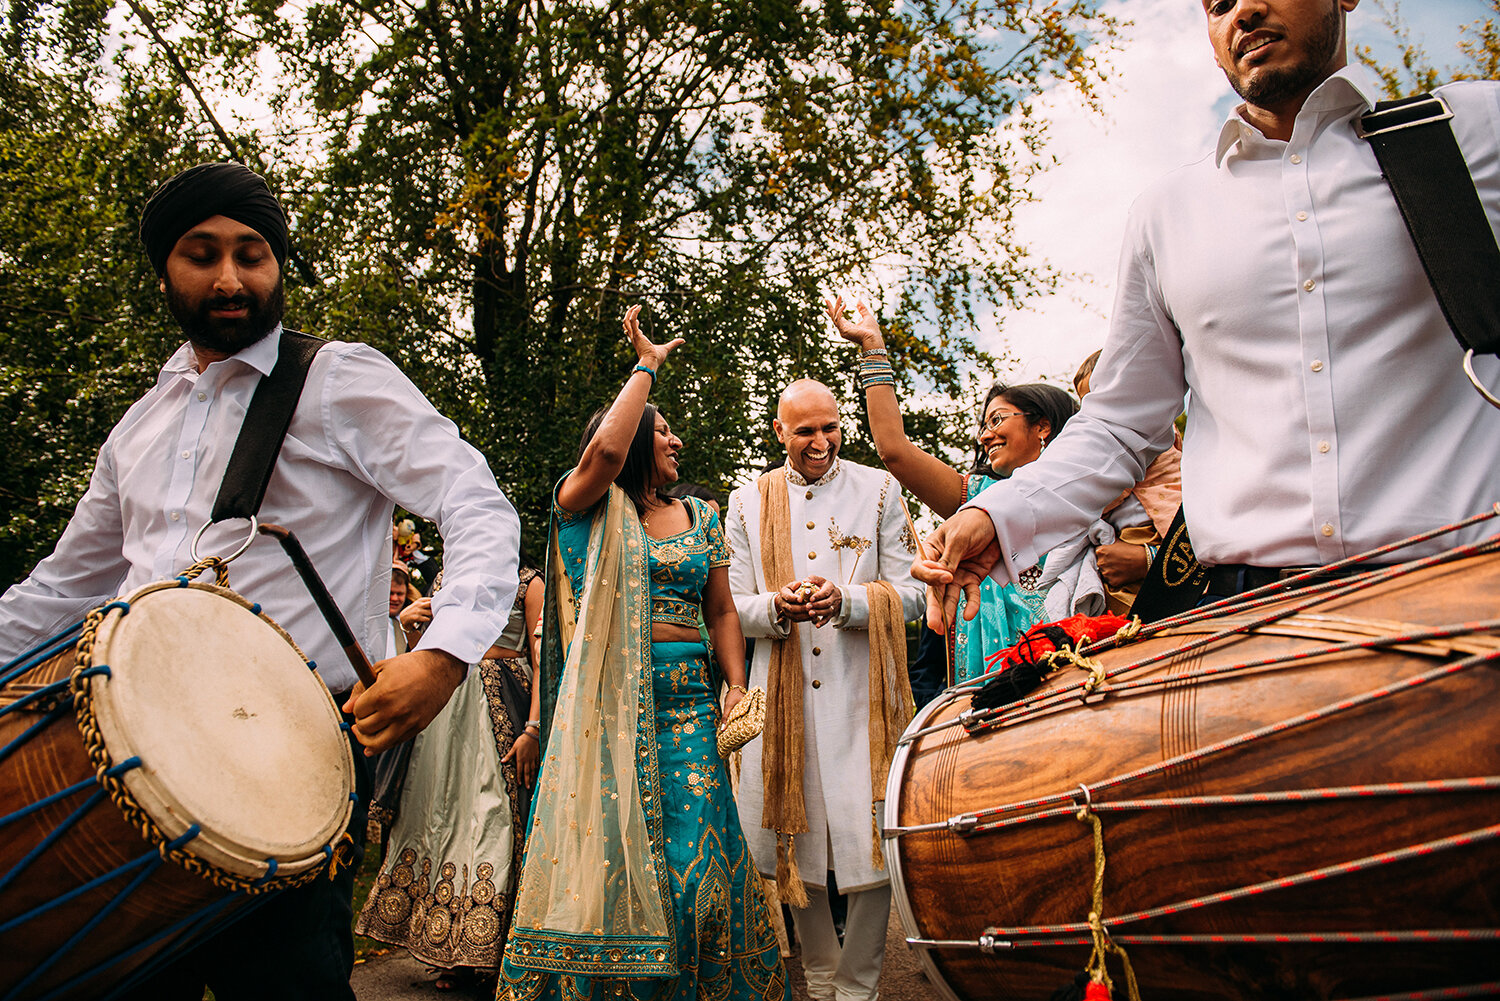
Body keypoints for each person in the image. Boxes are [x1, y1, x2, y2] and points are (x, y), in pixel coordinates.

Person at [0, 161, 522, 1000]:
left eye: (253, 252)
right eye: (201, 254)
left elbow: (477, 506)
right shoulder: (140, 424)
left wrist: (447, 652)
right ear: (166, 272)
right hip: (130, 759)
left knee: (285, 986)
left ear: (280, 264)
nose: (232, 276)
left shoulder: (336, 379)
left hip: (293, 762)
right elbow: (60, 589)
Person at [916, 0, 1500, 622]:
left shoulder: (1476, 133)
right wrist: (991, 515)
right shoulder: (1167, 212)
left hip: (1467, 595)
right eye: (1218, 4)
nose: (1244, 11)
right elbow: (1120, 424)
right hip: (1242, 621)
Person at [498, 305, 790, 1001]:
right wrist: (646, 365)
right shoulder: (586, 508)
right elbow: (601, 456)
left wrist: (736, 687)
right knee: (616, 867)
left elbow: (720, 609)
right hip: (608, 714)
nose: (677, 439)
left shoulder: (702, 517)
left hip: (691, 708)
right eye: (661, 430)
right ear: (629, 440)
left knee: (698, 870)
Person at [725, 378, 924, 1001]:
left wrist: (850, 600)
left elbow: (915, 593)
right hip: (782, 699)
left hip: (864, 694)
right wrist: (775, 607)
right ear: (778, 431)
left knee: (873, 841)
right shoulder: (746, 502)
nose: (822, 441)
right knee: (792, 839)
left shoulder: (881, 489)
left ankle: (857, 984)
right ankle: (818, 978)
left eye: (831, 426)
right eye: (805, 430)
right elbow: (729, 606)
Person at [827, 296, 1078, 684]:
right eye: (984, 423)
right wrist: (872, 349)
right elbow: (894, 451)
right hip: (990, 686)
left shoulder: (1091, 488)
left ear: (1042, 426)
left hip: (1077, 667)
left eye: (998, 419)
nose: (985, 434)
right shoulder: (977, 497)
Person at [357, 564, 544, 992]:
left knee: (494, 820)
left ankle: (493, 951)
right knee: (438, 820)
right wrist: (408, 632)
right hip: (445, 713)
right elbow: (423, 654)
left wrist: (533, 727)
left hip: (503, 710)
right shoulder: (443, 581)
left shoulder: (528, 583)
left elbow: (544, 659)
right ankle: (447, 949)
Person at [1072, 350, 1182, 615]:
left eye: (1103, 401)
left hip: (1161, 526)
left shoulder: (1146, 433)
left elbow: (1111, 489)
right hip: (1139, 531)